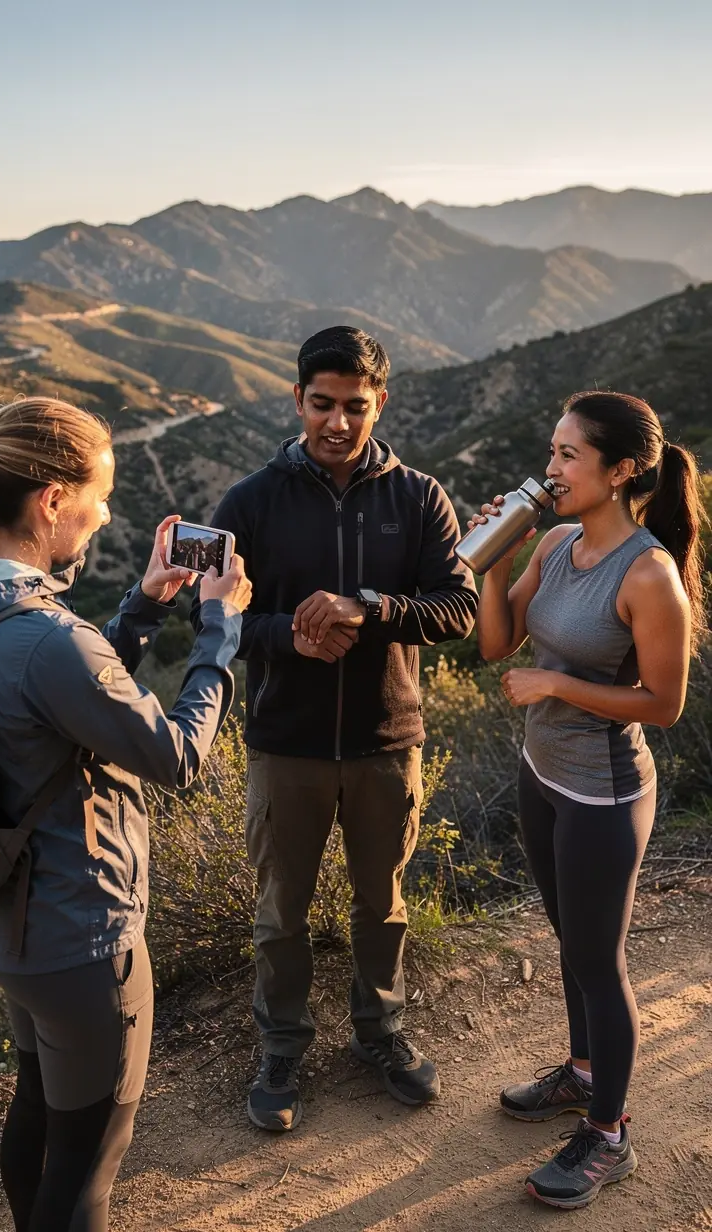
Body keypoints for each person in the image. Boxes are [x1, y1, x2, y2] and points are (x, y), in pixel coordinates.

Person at [0, 397, 251, 1232]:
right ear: (54, 501)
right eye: (99, 494)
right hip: (82, 934)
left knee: (37, 1108)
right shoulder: (49, 639)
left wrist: (141, 605)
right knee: (87, 1166)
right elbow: (177, 756)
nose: (105, 514)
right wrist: (219, 631)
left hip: (3, 921)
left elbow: (44, 709)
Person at [192, 326, 478, 1131]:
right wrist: (289, 634)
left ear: (379, 402)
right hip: (286, 745)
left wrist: (372, 609)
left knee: (381, 903)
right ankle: (281, 1048)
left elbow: (457, 609)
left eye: (356, 406)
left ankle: (379, 1031)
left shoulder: (419, 497)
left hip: (390, 744)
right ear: (298, 401)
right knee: (280, 910)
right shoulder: (249, 502)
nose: (339, 423)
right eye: (323, 404)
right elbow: (208, 617)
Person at [471, 390, 704, 1209]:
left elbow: (664, 705)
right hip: (544, 774)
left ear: (623, 470)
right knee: (569, 938)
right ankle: (580, 1073)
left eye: (570, 455)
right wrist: (499, 559)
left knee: (599, 962)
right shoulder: (560, 542)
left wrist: (557, 682)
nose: (553, 467)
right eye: (553, 451)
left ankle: (610, 1135)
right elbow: (497, 644)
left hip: (605, 792)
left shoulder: (649, 574)